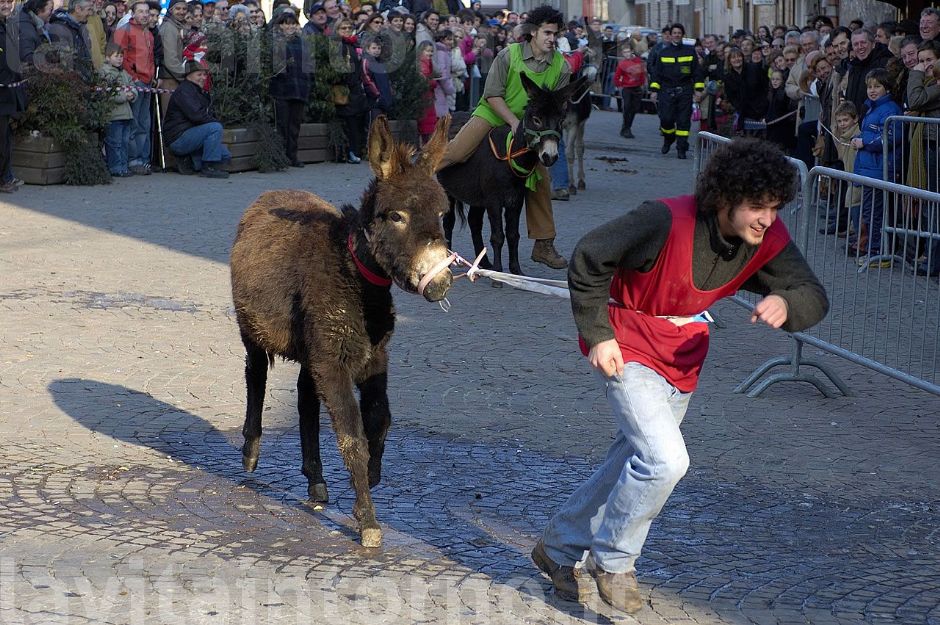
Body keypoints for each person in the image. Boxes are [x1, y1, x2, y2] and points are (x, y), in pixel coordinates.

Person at [532, 138, 829, 614]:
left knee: (631, 459)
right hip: (626, 346)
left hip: (681, 356)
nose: (767, 219)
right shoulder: (664, 219)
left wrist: (787, 301)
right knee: (666, 461)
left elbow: (812, 291)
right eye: (757, 206)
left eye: (775, 207)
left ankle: (560, 547)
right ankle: (613, 561)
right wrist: (597, 332)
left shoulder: (766, 237)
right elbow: (588, 256)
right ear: (724, 198)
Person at [436, 5, 571, 269]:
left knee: (540, 180)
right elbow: (492, 94)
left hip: (532, 126)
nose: (552, 38)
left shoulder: (560, 66)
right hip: (495, 114)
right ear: (533, 32)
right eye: (547, 32)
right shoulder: (509, 55)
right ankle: (412, 181)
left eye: (555, 33)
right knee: (456, 152)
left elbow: (554, 105)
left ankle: (543, 244)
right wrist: (513, 122)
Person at [849, 68, 902, 266]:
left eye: (877, 86)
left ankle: (877, 251)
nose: (872, 90)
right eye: (869, 86)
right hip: (869, 167)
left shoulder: (890, 109)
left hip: (880, 169)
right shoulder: (872, 107)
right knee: (870, 210)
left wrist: (865, 142)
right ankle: (872, 249)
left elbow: (891, 137)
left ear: (886, 88)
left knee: (875, 212)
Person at [162, 59, 231, 178]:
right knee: (215, 128)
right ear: (188, 75)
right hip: (178, 137)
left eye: (204, 74)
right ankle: (208, 167)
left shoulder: (197, 90)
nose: (203, 78)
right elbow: (197, 116)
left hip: (190, 134)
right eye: (199, 74)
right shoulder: (185, 91)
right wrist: (216, 123)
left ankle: (190, 161)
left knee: (225, 155)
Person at [648, 23, 704, 159]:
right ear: (670, 35)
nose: (677, 35)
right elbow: (656, 74)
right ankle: (669, 137)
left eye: (679, 33)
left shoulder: (690, 52)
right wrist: (654, 90)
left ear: (682, 35)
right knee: (666, 119)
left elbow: (697, 72)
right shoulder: (663, 52)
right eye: (674, 33)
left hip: (684, 90)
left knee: (683, 121)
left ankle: (681, 148)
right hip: (666, 90)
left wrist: (698, 90)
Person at [112, 0, 154, 176]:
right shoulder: (125, 30)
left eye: (147, 12)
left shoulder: (148, 33)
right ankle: (133, 159)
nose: (144, 15)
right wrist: (132, 78)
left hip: (148, 82)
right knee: (134, 123)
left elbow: (150, 58)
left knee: (144, 122)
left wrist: (152, 76)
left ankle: (143, 159)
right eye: (141, 12)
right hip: (135, 82)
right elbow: (118, 55)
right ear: (133, 13)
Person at [269, 10, 311, 167]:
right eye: (287, 23)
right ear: (280, 26)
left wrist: (307, 84)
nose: (291, 27)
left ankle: (292, 156)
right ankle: (281, 157)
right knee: (282, 125)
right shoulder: (275, 42)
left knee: (295, 126)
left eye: (293, 23)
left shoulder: (302, 42)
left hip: (300, 89)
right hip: (281, 90)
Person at [0, 0, 26, 192]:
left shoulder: (8, 26)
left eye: (9, 1)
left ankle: (4, 178)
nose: (7, 4)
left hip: (8, 93)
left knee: (5, 138)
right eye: (2, 1)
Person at [100, 42, 136, 177]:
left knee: (125, 143)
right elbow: (106, 94)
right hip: (114, 115)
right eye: (116, 56)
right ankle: (115, 167)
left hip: (126, 114)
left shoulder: (124, 73)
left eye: (121, 56)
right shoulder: (105, 73)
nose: (120, 58)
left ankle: (123, 166)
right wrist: (123, 96)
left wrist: (133, 94)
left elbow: (132, 85)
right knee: (115, 143)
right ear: (108, 57)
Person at [157, 0, 189, 118]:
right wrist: (186, 78)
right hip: (170, 79)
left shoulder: (178, 26)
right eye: (178, 9)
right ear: (171, 10)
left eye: (184, 9)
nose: (181, 12)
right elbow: (170, 60)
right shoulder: (169, 28)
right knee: (171, 117)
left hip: (176, 78)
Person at [48, 0, 94, 78]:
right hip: (71, 83)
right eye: (89, 9)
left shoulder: (81, 27)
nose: (90, 13)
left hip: (83, 81)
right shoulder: (60, 29)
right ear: (78, 9)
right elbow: (64, 63)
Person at [613, 40, 644, 139]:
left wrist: (642, 84)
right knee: (627, 108)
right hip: (627, 88)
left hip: (637, 88)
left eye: (628, 52)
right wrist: (620, 85)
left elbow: (642, 74)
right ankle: (626, 128)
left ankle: (626, 127)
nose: (626, 54)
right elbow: (617, 77)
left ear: (631, 51)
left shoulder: (638, 61)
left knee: (634, 109)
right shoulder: (622, 64)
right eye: (624, 52)